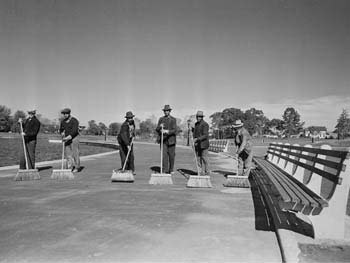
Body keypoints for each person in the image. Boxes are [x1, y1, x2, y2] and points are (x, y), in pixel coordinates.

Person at [156, 105, 177, 174]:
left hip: (171, 141)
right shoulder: (161, 119)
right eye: (165, 111)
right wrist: (160, 127)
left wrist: (167, 131)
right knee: (164, 156)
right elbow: (157, 129)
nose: (166, 112)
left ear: (169, 111)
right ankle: (164, 170)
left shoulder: (173, 119)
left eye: (167, 111)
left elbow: (174, 130)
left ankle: (171, 169)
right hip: (163, 141)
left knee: (171, 156)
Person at [59, 108, 80, 172]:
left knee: (75, 153)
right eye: (64, 114)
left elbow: (75, 131)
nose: (65, 115)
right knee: (68, 154)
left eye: (66, 114)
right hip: (66, 139)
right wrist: (62, 133)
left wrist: (68, 137)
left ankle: (77, 167)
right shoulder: (63, 121)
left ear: (69, 113)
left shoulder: (74, 120)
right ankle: (69, 167)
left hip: (74, 138)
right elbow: (61, 129)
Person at [193, 111, 210, 175]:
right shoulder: (196, 124)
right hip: (198, 144)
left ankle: (207, 171)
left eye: (200, 117)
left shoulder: (205, 124)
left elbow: (205, 135)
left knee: (204, 158)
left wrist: (197, 139)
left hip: (204, 144)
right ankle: (200, 171)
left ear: (202, 117)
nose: (198, 118)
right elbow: (195, 133)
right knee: (198, 158)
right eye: (197, 116)